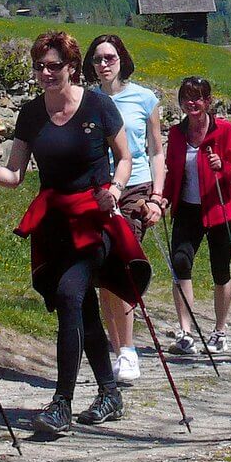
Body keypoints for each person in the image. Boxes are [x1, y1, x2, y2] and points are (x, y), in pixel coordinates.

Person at [0, 31, 148, 438]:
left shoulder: (98, 104)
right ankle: (108, 393)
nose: (46, 73)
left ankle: (61, 402)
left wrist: (116, 191)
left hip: (94, 220)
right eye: (39, 66)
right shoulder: (32, 114)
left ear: (71, 68)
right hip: (53, 224)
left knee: (70, 296)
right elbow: (15, 175)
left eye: (54, 66)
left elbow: (125, 157)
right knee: (80, 306)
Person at [83, 34, 163, 385]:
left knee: (123, 266)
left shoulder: (145, 98)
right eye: (98, 59)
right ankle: (117, 352)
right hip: (96, 190)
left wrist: (158, 197)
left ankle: (128, 350)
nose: (104, 64)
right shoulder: (87, 100)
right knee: (102, 270)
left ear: (122, 59)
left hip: (135, 188)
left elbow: (157, 151)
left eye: (110, 57)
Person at [158, 76, 231, 356]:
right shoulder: (176, 134)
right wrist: (162, 200)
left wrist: (223, 166)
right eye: (186, 98)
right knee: (180, 263)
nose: (191, 103)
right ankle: (185, 332)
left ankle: (219, 331)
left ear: (208, 101)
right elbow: (172, 172)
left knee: (220, 270)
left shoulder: (225, 131)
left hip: (220, 210)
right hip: (188, 210)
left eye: (197, 98)